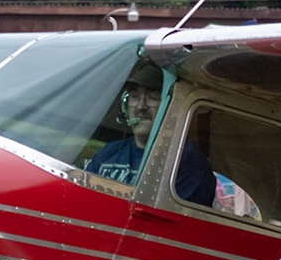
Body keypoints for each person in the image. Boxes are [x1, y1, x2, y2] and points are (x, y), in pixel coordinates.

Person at [85, 83, 216, 206]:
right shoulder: (108, 153)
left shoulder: (189, 162)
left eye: (153, 97)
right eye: (135, 96)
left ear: (170, 105)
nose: (141, 106)